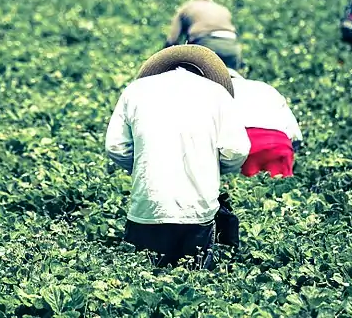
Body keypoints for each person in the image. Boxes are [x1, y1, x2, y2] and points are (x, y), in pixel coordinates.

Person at [105, 45, 250, 269]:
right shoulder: (216, 94)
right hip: (197, 211)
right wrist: (214, 168)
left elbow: (116, 147)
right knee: (195, 285)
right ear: (205, 72)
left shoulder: (136, 90)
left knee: (143, 283)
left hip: (147, 209)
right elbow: (236, 149)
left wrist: (141, 168)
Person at [228, 67, 304, 178]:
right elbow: (295, 132)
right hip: (280, 145)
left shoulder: (218, 94)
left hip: (249, 146)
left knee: (249, 189)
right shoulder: (264, 87)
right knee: (281, 189)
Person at [164, 0, 242, 70]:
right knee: (229, 81)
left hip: (206, 44)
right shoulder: (222, 9)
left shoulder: (187, 7)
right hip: (232, 47)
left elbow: (172, 40)